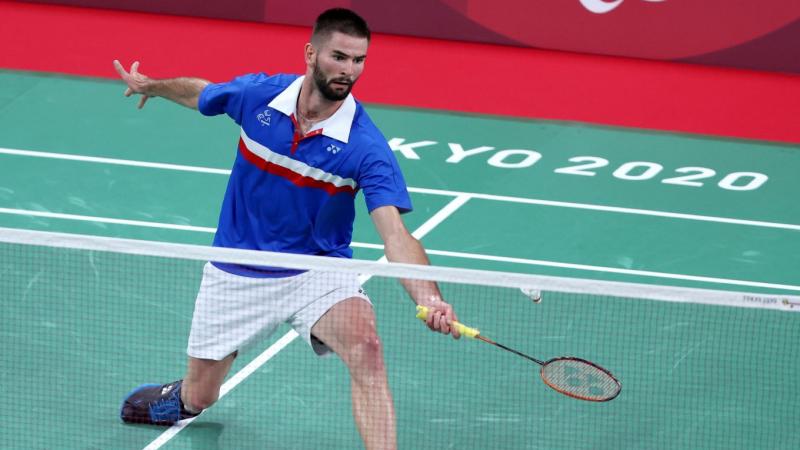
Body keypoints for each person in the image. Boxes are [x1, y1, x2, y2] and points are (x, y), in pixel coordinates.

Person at [116, 8, 459, 450]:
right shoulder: (260, 96)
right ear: (311, 52)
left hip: (314, 271)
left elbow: (396, 235)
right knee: (201, 396)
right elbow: (204, 94)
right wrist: (154, 87)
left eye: (359, 60)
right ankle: (182, 397)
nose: (349, 70)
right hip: (238, 266)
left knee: (367, 350)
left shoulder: (364, 146)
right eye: (339, 57)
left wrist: (429, 297)